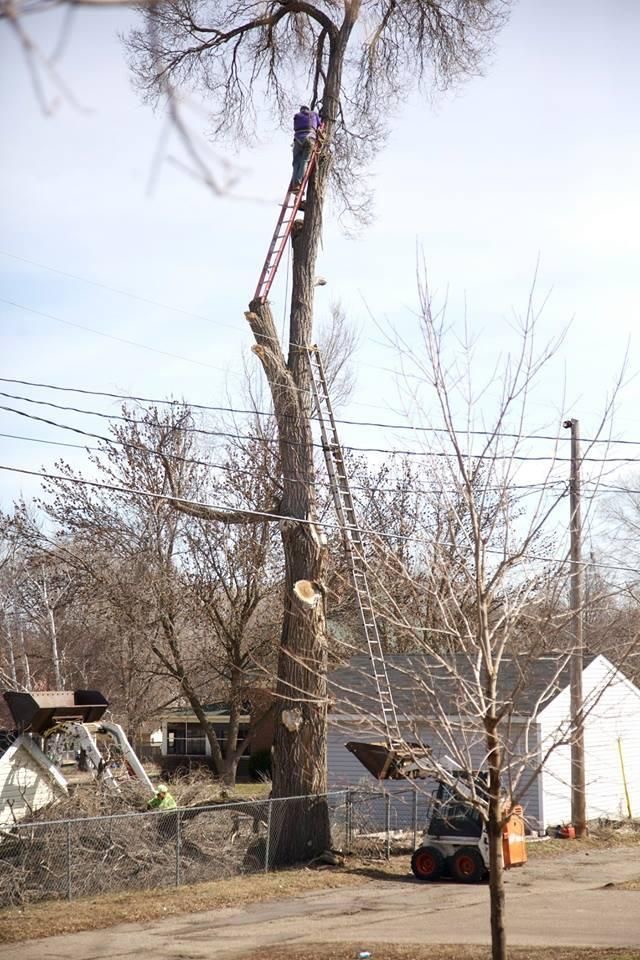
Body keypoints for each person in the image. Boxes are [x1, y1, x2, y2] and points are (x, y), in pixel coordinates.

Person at [291, 104, 321, 190]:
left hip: (297, 140)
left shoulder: (297, 116)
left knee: (296, 163)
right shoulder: (313, 114)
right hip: (309, 139)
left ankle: (294, 184)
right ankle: (298, 183)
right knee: (304, 161)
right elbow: (319, 125)